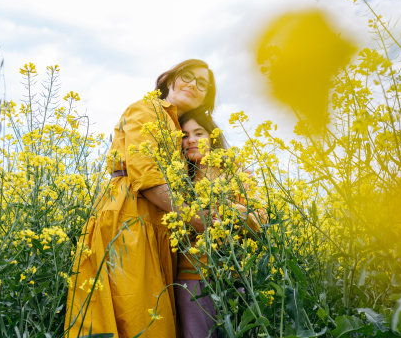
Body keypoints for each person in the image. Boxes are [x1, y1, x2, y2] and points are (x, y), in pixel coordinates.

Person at [65, 59, 217, 338]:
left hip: (158, 223)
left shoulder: (180, 128)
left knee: (153, 313)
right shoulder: (145, 109)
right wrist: (199, 220)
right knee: (135, 313)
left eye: (202, 84)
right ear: (170, 80)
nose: (194, 85)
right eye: (187, 77)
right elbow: (147, 177)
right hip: (130, 218)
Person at [175, 109, 267, 338]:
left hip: (233, 276)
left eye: (199, 133)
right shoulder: (176, 183)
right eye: (184, 135)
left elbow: (260, 222)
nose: (192, 140)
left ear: (212, 138)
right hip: (191, 280)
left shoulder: (238, 174)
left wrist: (232, 212)